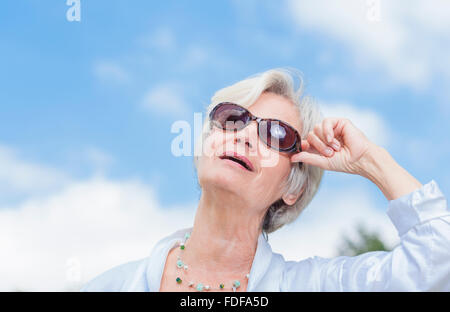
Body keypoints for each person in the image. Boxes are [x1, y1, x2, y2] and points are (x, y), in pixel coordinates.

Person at [80, 68, 449, 292]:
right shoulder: (109, 285)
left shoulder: (315, 285)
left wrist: (372, 160)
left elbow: (437, 263)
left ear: (293, 188)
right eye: (231, 117)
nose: (243, 135)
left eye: (275, 134)